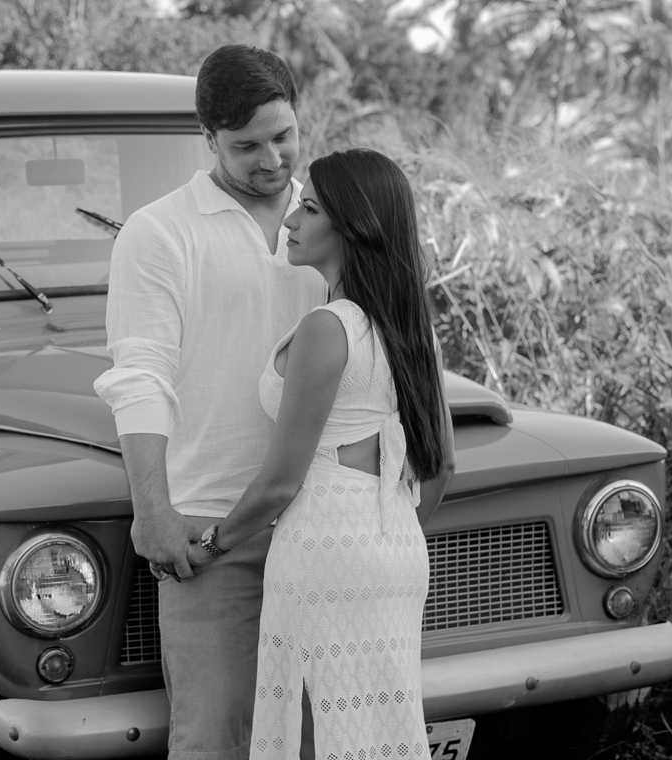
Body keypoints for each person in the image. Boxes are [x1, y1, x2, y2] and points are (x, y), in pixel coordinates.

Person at [93, 44, 327, 758]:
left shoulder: (333, 220)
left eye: (284, 136)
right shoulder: (158, 232)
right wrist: (153, 509)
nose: (272, 160)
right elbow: (140, 374)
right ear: (208, 139)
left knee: (323, 737)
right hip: (210, 528)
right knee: (214, 736)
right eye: (246, 146)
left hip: (325, 521)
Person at [184, 148, 456, 760]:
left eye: (307, 210)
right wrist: (381, 539)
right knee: (378, 730)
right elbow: (442, 467)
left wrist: (209, 546)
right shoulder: (409, 327)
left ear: (352, 227)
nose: (289, 222)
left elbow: (282, 483)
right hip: (395, 552)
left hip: (323, 546)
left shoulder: (328, 328)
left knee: (313, 732)